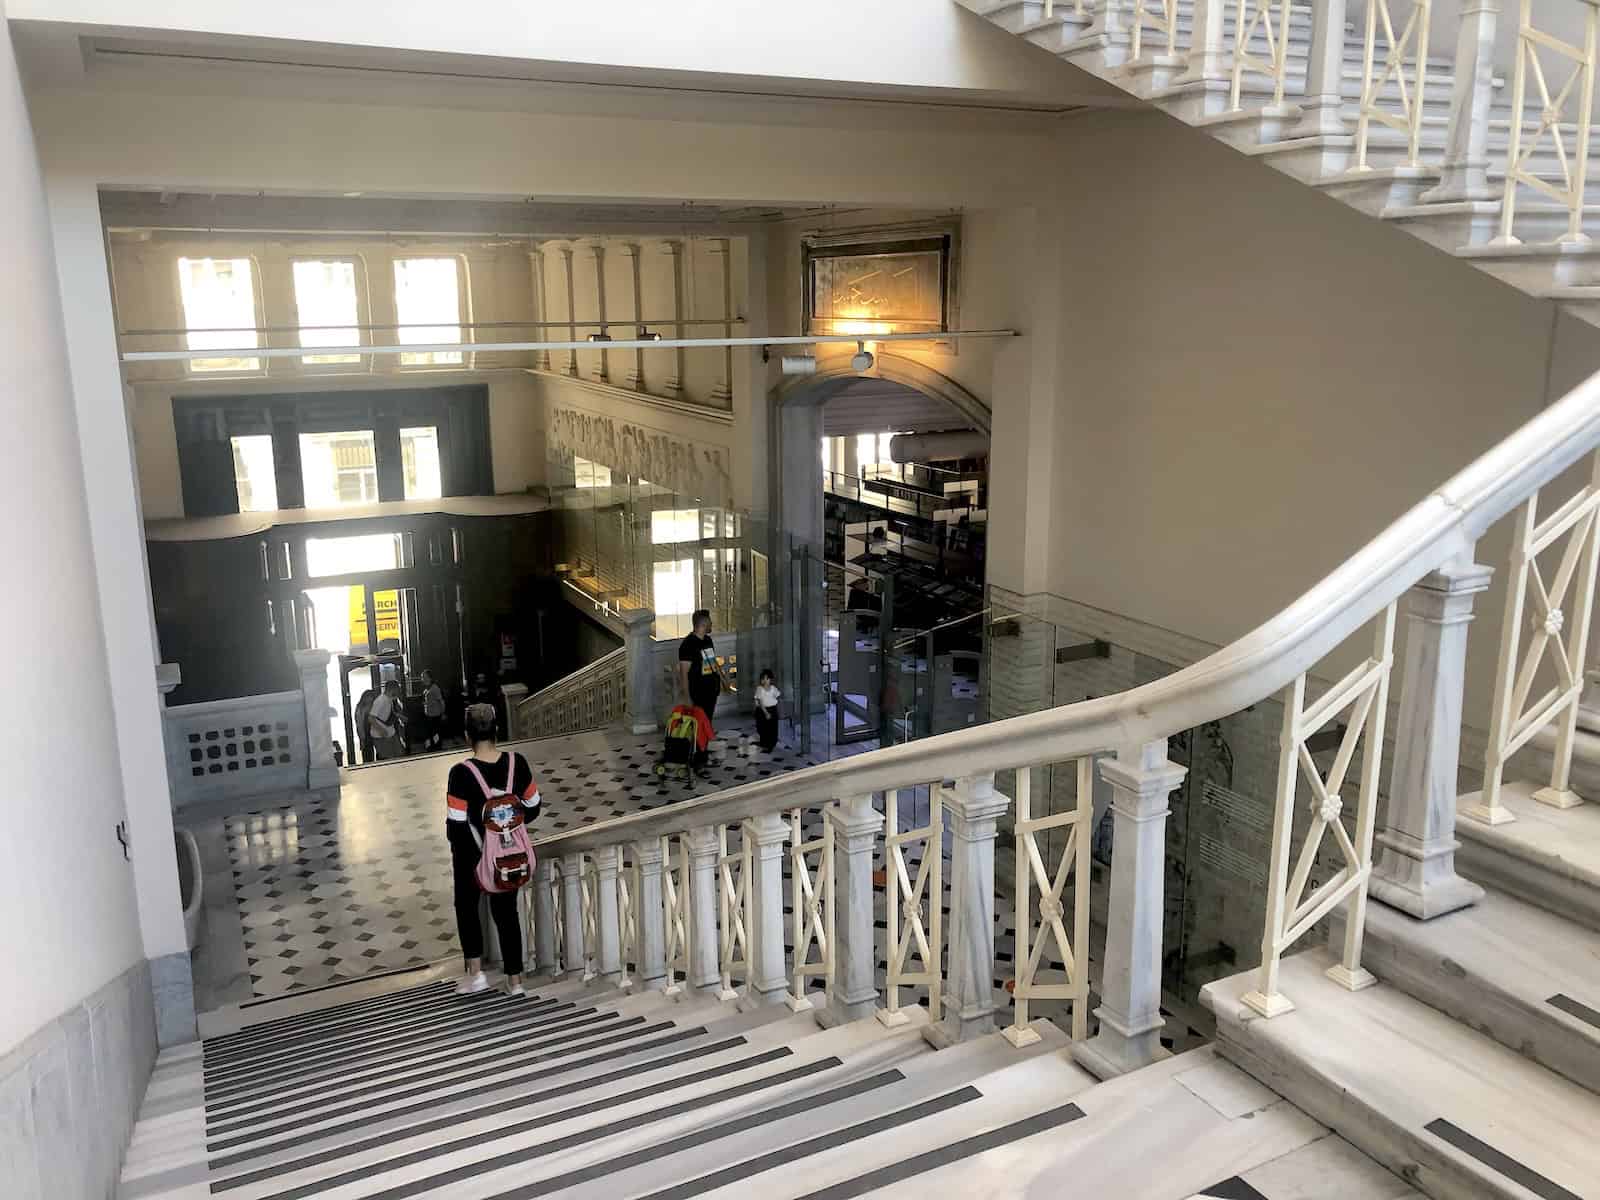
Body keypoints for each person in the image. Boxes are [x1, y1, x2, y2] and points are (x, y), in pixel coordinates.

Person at [446, 703, 541, 996]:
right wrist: (507, 827)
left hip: (472, 858)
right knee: (507, 913)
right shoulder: (518, 763)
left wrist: (474, 857)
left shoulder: (461, 773)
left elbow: (456, 827)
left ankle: (476, 976)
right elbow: (534, 806)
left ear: (467, 736)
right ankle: (515, 982)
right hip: (509, 855)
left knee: (466, 907)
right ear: (497, 732)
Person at [676, 609, 724, 723]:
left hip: (712, 689)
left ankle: (704, 740)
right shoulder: (687, 645)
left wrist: (724, 679)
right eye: (710, 622)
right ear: (703, 624)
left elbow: (713, 661)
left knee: (707, 722)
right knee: (698, 724)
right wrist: (687, 698)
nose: (711, 624)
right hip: (698, 692)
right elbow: (684, 674)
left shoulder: (708, 640)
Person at [368, 680, 406, 760]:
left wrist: (399, 716)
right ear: (393, 689)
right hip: (381, 736)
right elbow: (371, 718)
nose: (399, 691)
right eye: (397, 689)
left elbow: (388, 713)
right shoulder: (380, 701)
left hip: (390, 733)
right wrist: (381, 730)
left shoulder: (389, 699)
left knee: (399, 754)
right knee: (389, 759)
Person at [753, 668, 781, 753]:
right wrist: (765, 713)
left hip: (772, 709)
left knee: (772, 728)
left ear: (770, 679)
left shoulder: (773, 688)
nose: (765, 681)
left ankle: (770, 745)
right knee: (762, 727)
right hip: (762, 710)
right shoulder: (760, 689)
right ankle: (763, 742)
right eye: (763, 679)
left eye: (767, 679)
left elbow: (777, 695)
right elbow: (760, 702)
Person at [421, 669, 446, 751]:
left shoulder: (435, 688)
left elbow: (441, 701)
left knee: (436, 734)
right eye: (422, 677)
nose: (422, 679)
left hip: (435, 716)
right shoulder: (427, 689)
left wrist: (443, 713)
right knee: (430, 734)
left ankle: (437, 749)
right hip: (428, 715)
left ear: (430, 678)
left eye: (424, 677)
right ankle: (430, 748)